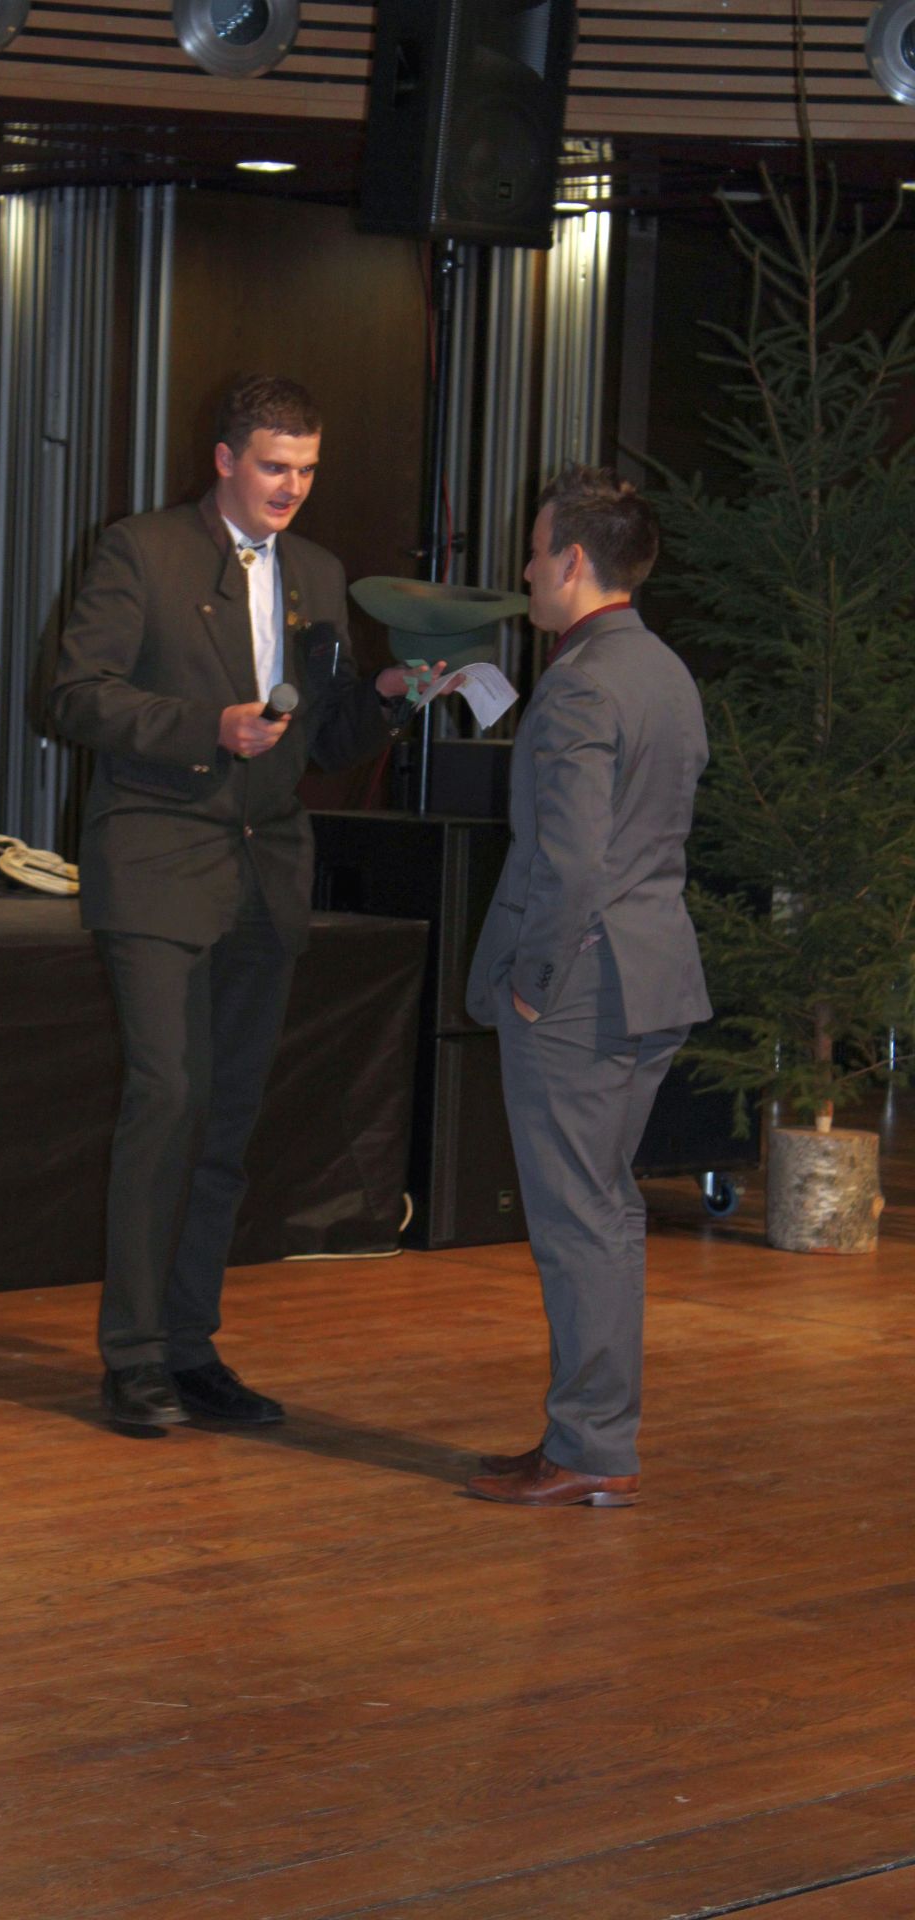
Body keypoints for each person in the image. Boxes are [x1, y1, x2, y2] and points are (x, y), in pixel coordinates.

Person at [53, 373, 440, 1431]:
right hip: (157, 857)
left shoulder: (316, 571)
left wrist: (392, 697)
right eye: (274, 466)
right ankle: (133, 1357)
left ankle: (189, 1348)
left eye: (307, 469)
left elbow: (329, 737)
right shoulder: (141, 550)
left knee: (224, 1119)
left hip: (266, 869)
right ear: (224, 459)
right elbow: (76, 695)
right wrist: (205, 727)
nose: (291, 487)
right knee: (167, 1098)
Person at [463, 464, 711, 1509]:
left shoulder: (579, 683)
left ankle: (591, 1448)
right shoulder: (663, 669)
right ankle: (587, 1437)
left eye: (533, 552)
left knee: (579, 1225)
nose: (525, 571)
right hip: (650, 976)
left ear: (570, 561)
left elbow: (570, 862)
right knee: (600, 1215)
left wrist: (531, 979)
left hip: (580, 989)